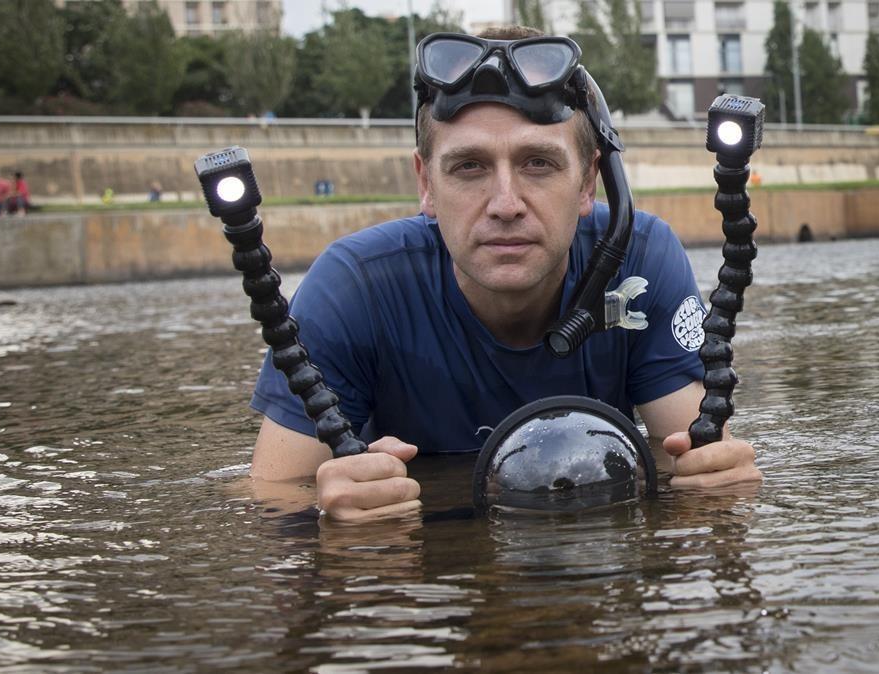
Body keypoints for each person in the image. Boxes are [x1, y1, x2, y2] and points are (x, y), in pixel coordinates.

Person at [250, 26, 762, 522]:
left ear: (588, 182)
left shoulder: (641, 261)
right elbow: (266, 497)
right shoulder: (353, 288)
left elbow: (691, 458)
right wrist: (326, 506)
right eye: (469, 166)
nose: (505, 204)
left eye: (537, 163)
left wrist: (718, 481)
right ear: (426, 182)